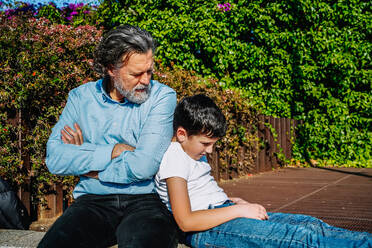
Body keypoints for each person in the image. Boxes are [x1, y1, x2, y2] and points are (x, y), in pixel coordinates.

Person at [155, 94, 372, 248]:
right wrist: (238, 211)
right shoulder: (175, 157)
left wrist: (230, 201)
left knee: (310, 224)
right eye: (205, 143)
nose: (210, 150)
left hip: (222, 214)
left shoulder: (191, 152)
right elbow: (186, 221)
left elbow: (197, 193)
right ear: (182, 134)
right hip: (206, 230)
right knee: (300, 239)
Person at [38, 25, 179, 248]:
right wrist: (111, 151)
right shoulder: (80, 97)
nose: (145, 81)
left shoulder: (162, 97)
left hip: (146, 200)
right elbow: (55, 159)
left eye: (149, 71)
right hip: (91, 202)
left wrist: (87, 165)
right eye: (136, 73)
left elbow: (144, 167)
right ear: (111, 69)